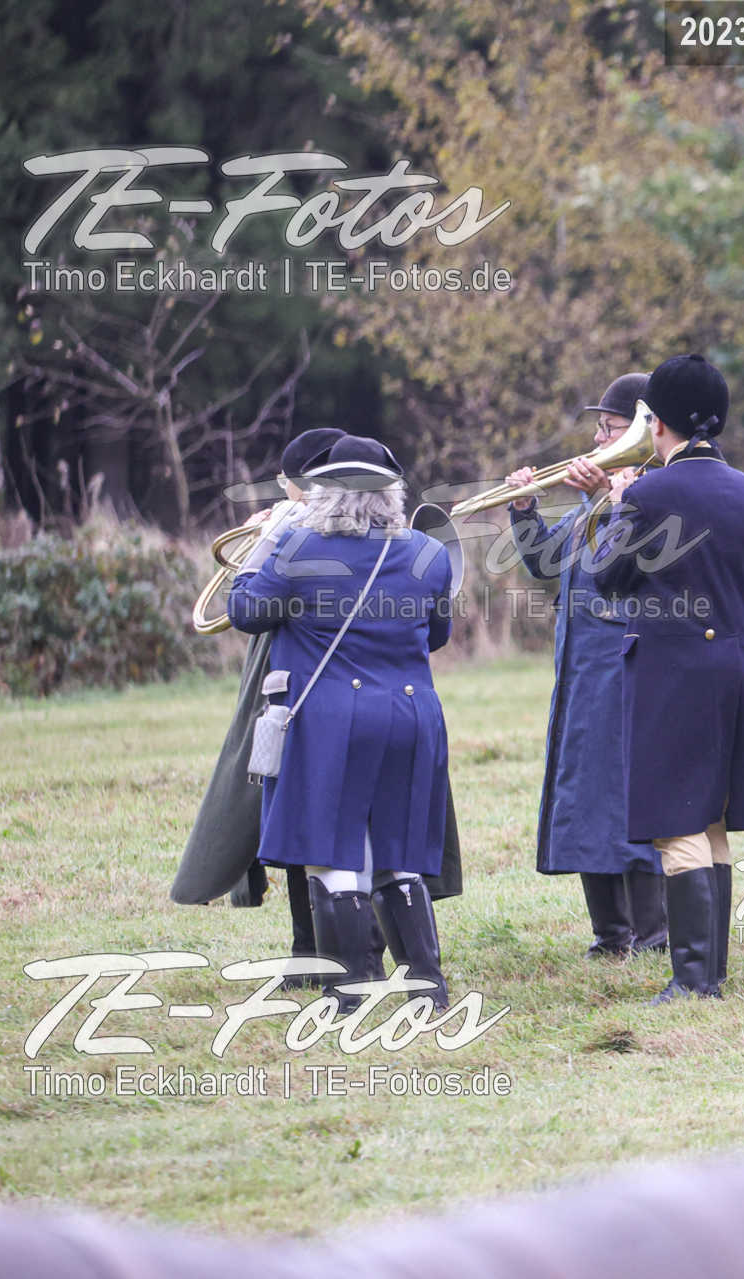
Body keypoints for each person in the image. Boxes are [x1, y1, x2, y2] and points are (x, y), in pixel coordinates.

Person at [174, 430, 464, 985]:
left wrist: (266, 542)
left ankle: (351, 989)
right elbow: (437, 636)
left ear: (325, 494)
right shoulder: (429, 554)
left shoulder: (298, 548)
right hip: (411, 718)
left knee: (333, 861)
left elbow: (246, 610)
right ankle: (427, 989)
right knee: (399, 860)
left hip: (330, 723)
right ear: (391, 495)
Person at [591, 355, 744, 1003]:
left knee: (678, 823)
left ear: (658, 424)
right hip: (741, 671)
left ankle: (692, 979)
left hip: (673, 673)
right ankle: (712, 972)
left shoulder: (646, 495)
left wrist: (616, 507)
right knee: (712, 823)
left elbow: (606, 580)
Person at [505, 374, 668, 959]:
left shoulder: (653, 495)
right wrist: (524, 510)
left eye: (611, 428)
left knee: (624, 796)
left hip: (626, 663)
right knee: (583, 796)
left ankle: (653, 933)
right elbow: (545, 565)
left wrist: (611, 500)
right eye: (599, 428)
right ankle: (610, 934)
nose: (598, 438)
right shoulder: (591, 503)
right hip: (580, 669)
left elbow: (630, 568)